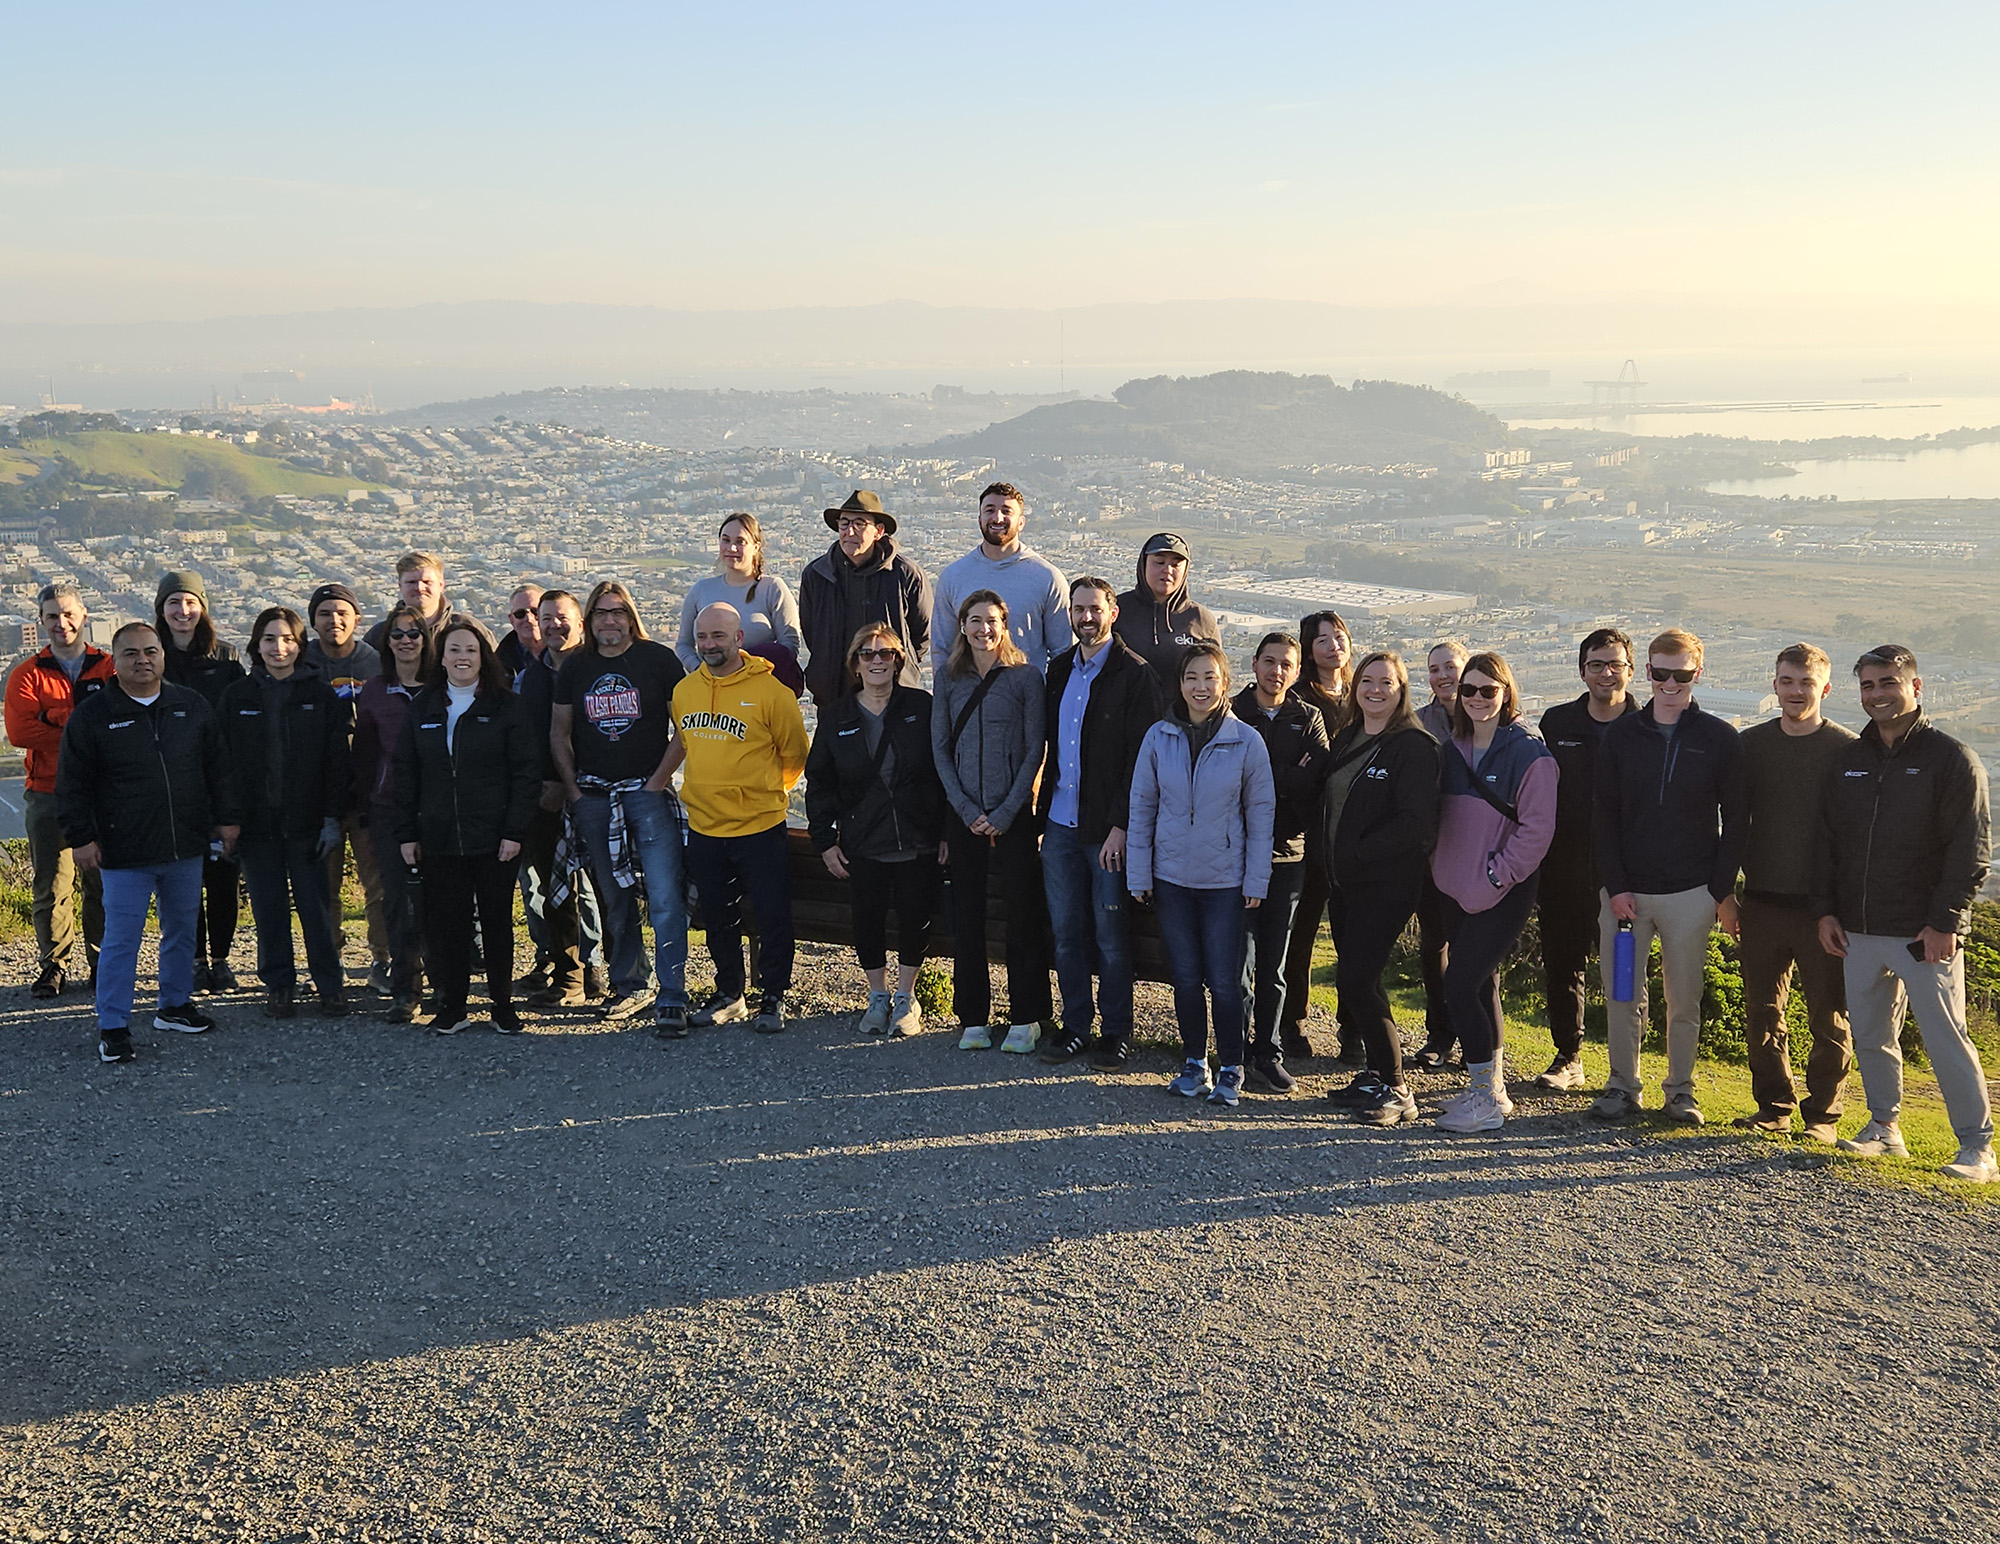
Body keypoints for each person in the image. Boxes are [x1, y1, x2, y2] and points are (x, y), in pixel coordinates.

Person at [1817, 645, 1995, 1183]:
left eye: (1888, 683)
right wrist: (1826, 912)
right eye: (1868, 686)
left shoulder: (1952, 758)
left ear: (1916, 687)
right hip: (1857, 929)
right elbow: (1827, 844)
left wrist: (1945, 922)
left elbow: (1970, 851)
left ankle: (1977, 1148)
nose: (1877, 694)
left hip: (1924, 932)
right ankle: (1884, 1128)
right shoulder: (1848, 759)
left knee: (1946, 1038)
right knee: (1871, 1034)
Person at [54, 622, 239, 1064]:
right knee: (122, 939)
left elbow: (218, 769)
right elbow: (72, 784)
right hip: (125, 850)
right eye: (131, 653)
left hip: (184, 845)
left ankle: (173, 1006)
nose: (143, 660)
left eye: (151, 652)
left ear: (162, 656)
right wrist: (82, 839)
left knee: (180, 932)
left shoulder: (189, 706)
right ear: (113, 661)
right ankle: (113, 1025)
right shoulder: (94, 715)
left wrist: (227, 820)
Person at [1589, 627, 1746, 1126]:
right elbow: (1603, 817)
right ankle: (1621, 1085)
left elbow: (1737, 821)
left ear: (1698, 674)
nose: (1670, 683)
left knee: (1684, 999)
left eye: (1681, 674)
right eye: (1661, 673)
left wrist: (1719, 892)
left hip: (1690, 894)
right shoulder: (1620, 736)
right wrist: (1615, 887)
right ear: (1648, 671)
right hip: (1627, 895)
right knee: (1621, 994)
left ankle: (1680, 1090)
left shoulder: (1720, 739)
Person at [1128, 642, 1274, 1108]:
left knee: (1225, 980)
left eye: (1210, 677)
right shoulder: (1158, 737)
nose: (1200, 687)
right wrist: (1139, 872)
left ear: (1225, 684)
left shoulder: (1246, 741)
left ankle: (1231, 1066)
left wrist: (1256, 881)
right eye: (1192, 677)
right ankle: (1195, 1062)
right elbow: (1142, 806)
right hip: (1171, 877)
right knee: (1186, 977)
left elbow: (1260, 814)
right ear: (1180, 683)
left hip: (1225, 882)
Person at [661, 602, 809, 1037]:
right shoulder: (685, 691)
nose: (709, 645)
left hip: (759, 825)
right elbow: (686, 743)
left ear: (739, 639)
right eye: (702, 637)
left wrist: (764, 792)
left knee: (771, 914)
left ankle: (774, 996)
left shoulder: (772, 693)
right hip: (704, 825)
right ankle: (730, 993)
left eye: (718, 636)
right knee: (716, 916)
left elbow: (795, 755)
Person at [1038, 576, 1167, 1070]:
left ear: (1113, 613)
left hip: (1107, 831)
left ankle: (1116, 1032)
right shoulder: (1058, 670)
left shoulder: (1136, 675)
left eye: (1095, 608)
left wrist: (1122, 826)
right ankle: (1075, 1027)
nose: (1085, 617)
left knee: (1112, 936)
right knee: (1067, 932)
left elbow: (1142, 758)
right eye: (1078, 609)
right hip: (1060, 822)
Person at [552, 580, 690, 1028]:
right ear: (589, 621)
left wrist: (656, 782)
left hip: (647, 796)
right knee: (615, 898)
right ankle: (630, 983)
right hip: (594, 795)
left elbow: (685, 728)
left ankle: (672, 990)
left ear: (631, 617)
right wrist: (574, 791)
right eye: (600, 613)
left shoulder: (659, 660)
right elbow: (560, 732)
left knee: (666, 896)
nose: (609, 620)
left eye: (617, 612)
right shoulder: (576, 667)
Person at [1429, 652, 1557, 1133]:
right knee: (1482, 984)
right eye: (1469, 690)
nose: (1478, 699)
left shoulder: (1529, 753)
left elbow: (1537, 832)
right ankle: (1492, 1090)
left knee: (1458, 984)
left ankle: (1483, 1097)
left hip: (1502, 890)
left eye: (1488, 690)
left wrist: (1496, 876)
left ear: (1507, 693)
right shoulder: (1451, 746)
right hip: (1452, 886)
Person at [394, 618, 541, 1036]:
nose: (462, 658)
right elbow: (406, 772)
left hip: (495, 838)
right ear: (441, 657)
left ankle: (502, 1005)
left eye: (471, 651)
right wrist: (407, 833)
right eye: (454, 650)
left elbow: (525, 773)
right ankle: (453, 1006)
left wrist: (514, 831)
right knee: (448, 926)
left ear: (484, 657)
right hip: (439, 837)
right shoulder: (423, 706)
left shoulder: (507, 706)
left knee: (497, 924)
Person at [1734, 644, 1857, 1141]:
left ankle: (1824, 1115)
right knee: (1762, 1013)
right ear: (1774, 683)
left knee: (1829, 1016)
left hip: (1822, 909)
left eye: (1806, 683)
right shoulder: (1750, 745)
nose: (1795, 691)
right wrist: (1728, 893)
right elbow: (1734, 822)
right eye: (1787, 681)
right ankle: (1774, 1106)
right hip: (1761, 899)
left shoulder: (1847, 750)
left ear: (1824, 688)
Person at [806, 622, 945, 1039]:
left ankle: (906, 996)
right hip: (863, 839)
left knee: (914, 917)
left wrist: (945, 833)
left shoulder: (923, 707)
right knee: (866, 919)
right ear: (855, 664)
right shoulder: (836, 718)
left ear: (899, 660)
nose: (878, 661)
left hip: (917, 835)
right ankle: (877, 995)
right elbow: (820, 783)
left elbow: (942, 773)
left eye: (886, 653)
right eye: (868, 654)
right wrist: (824, 841)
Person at [1320, 651, 1440, 1127]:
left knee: (1357, 979)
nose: (1374, 689)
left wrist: (1361, 853)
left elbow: (1417, 825)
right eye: (1366, 680)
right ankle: (1374, 1073)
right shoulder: (1349, 736)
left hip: (1387, 885)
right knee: (1358, 979)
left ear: (1401, 689)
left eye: (1385, 682)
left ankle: (1397, 1087)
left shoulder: (1414, 746)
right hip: (1343, 883)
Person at [216, 608, 352, 1019]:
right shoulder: (237, 696)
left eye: (288, 639)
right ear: (256, 645)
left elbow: (337, 762)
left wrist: (332, 817)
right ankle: (279, 986)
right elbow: (222, 764)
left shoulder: (320, 695)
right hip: (256, 823)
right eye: (270, 639)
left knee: (317, 907)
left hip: (308, 821)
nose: (279, 648)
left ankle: (329, 985)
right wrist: (226, 819)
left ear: (300, 645)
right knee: (268, 908)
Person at [932, 590, 1052, 1053]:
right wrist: (965, 809)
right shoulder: (948, 678)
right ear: (962, 626)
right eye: (975, 620)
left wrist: (1005, 812)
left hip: (1014, 814)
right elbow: (940, 749)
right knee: (968, 916)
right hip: (965, 814)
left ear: (1006, 627)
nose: (984, 628)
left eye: (993, 620)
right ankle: (973, 1016)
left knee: (1021, 914)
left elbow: (1033, 750)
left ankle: (1028, 1015)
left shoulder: (1025, 678)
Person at [1532, 627, 1639, 1091]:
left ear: (1632, 671)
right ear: (1581, 671)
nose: (1606, 672)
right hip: (1563, 868)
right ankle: (1568, 1057)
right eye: (1596, 664)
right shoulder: (1556, 723)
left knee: (1624, 972)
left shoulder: (1647, 727)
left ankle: (1625, 1069)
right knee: (1563, 964)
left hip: (1628, 875)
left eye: (1615, 664)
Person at [6, 582, 115, 998]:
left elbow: (117, 721)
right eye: (52, 616)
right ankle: (53, 964)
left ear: (84, 615)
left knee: (102, 881)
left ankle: (102, 960)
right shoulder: (26, 673)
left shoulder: (108, 667)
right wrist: (79, 722)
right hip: (47, 790)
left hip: (103, 792)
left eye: (68, 614)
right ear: (41, 622)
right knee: (51, 883)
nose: (62, 622)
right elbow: (19, 731)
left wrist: (52, 718)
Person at [1234, 632, 1330, 1093]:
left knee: (1274, 964)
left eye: (1285, 664)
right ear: (1253, 665)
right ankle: (1233, 1052)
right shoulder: (1230, 712)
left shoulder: (1307, 717)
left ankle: (1267, 1052)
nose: (1276, 671)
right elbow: (1224, 783)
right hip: (1233, 853)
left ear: (1296, 672)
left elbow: (1313, 785)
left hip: (1287, 855)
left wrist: (1268, 779)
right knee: (1239, 964)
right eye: (1268, 661)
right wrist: (1287, 774)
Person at [154, 570, 247, 994]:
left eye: (190, 602)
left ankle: (222, 958)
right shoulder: (152, 656)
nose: (182, 611)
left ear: (203, 607)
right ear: (161, 609)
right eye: (174, 602)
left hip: (221, 781)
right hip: (172, 787)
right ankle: (193, 958)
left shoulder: (225, 659)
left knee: (224, 878)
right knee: (183, 880)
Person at [517, 589, 605, 1007]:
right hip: (546, 795)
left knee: (604, 886)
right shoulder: (530, 676)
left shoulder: (596, 668)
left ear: (581, 622)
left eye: (561, 617)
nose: (553, 625)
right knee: (556, 889)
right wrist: (544, 784)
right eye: (545, 617)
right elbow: (529, 737)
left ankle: (602, 967)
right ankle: (568, 973)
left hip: (597, 789)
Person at [1277, 610, 1355, 1062]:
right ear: (1308, 650)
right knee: (1300, 931)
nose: (1332, 645)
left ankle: (1352, 1026)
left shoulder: (1362, 693)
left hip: (1349, 832)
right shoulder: (1300, 700)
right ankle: (1292, 1021)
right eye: (1321, 639)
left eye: (1339, 636)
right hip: (1307, 830)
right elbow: (1308, 768)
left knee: (1351, 933)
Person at [305, 581, 388, 994]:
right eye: (324, 613)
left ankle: (382, 959)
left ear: (357, 618)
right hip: (319, 792)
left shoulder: (374, 661)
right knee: (325, 886)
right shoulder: (302, 662)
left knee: (378, 885)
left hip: (368, 789)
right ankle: (328, 959)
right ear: (312, 621)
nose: (334, 621)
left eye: (342, 613)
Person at [353, 602, 433, 1021]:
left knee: (442, 899)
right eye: (397, 635)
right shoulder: (375, 690)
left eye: (413, 633)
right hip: (389, 809)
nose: (405, 641)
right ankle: (406, 988)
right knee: (396, 902)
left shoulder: (444, 685)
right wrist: (365, 810)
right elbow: (365, 755)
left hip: (440, 807)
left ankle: (443, 982)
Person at [798, 490, 931, 706]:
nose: (850, 531)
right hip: (834, 696)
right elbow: (812, 634)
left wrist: (891, 664)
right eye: (844, 523)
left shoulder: (905, 574)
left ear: (878, 531)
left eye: (859, 524)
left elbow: (921, 634)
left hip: (895, 697)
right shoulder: (817, 575)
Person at [928, 481, 1073, 677]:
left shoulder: (1047, 578)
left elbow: (1062, 652)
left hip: (1026, 699)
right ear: (979, 519)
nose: (997, 518)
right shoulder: (954, 577)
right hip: (967, 699)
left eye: (1006, 511)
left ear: (1021, 522)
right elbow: (942, 649)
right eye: (990, 510)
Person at [1407, 637, 1469, 1071]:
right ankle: (1439, 1033)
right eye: (1435, 669)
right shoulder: (1418, 722)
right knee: (1435, 945)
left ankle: (1479, 1037)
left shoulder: (1490, 715)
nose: (1443, 676)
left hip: (1475, 851)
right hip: (1430, 852)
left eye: (1450, 667)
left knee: (1476, 948)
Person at [675, 513, 804, 678]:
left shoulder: (773, 589)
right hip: (711, 688)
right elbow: (684, 644)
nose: (732, 548)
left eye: (740, 542)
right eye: (726, 540)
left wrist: (750, 674)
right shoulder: (701, 589)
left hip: (759, 686)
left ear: (756, 547)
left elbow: (789, 646)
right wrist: (702, 672)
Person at [1111, 531, 1219, 687]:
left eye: (1175, 565)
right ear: (1144, 564)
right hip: (1123, 709)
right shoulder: (1117, 611)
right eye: (1159, 562)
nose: (1167, 570)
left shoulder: (1201, 620)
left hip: (1181, 711)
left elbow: (1215, 679)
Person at [363, 551, 453, 653]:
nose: (419, 588)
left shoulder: (464, 630)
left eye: (427, 582)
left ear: (441, 585)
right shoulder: (379, 635)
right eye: (411, 582)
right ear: (400, 586)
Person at [497, 583, 544, 683]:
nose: (529, 618)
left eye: (535, 611)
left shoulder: (569, 655)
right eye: (520, 614)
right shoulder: (497, 665)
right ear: (512, 620)